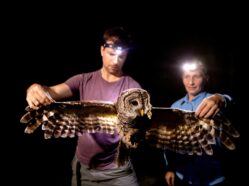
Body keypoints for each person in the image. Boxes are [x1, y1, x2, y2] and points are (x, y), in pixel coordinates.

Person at [25, 26, 141, 186]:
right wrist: (34, 88)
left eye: (121, 56)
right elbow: (50, 92)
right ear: (102, 50)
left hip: (118, 170)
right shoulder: (83, 80)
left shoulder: (133, 89)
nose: (115, 61)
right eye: (111, 54)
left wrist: (134, 132)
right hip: (84, 167)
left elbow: (139, 127)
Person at [164, 60, 232, 186]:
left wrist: (223, 99)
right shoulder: (175, 106)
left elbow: (230, 102)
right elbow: (169, 143)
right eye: (187, 77)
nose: (191, 82)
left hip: (213, 178)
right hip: (183, 175)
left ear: (206, 78)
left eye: (196, 76)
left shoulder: (213, 102)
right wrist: (170, 168)